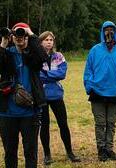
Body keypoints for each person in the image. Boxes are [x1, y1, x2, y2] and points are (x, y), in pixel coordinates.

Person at [0, 22, 47, 168]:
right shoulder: (7, 54)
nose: (19, 37)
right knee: (10, 152)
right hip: (8, 111)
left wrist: (31, 35)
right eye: (16, 34)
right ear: (12, 36)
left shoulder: (33, 56)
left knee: (30, 151)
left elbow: (44, 56)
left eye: (22, 35)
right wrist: (3, 43)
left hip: (30, 112)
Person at [83, 21, 116, 162]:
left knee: (111, 123)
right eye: (106, 30)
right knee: (100, 123)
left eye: (111, 29)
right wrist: (90, 86)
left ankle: (109, 149)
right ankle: (101, 149)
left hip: (115, 94)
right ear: (102, 32)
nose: (109, 32)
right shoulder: (95, 50)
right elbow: (88, 71)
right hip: (97, 93)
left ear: (115, 32)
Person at [38, 31, 80, 165]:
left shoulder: (59, 56)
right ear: (40, 42)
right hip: (42, 96)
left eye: (51, 40)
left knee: (63, 124)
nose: (49, 42)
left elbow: (62, 74)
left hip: (56, 95)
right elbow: (37, 75)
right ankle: (47, 155)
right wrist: (52, 74)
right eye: (46, 40)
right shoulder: (36, 57)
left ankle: (70, 152)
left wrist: (46, 73)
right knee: (44, 126)